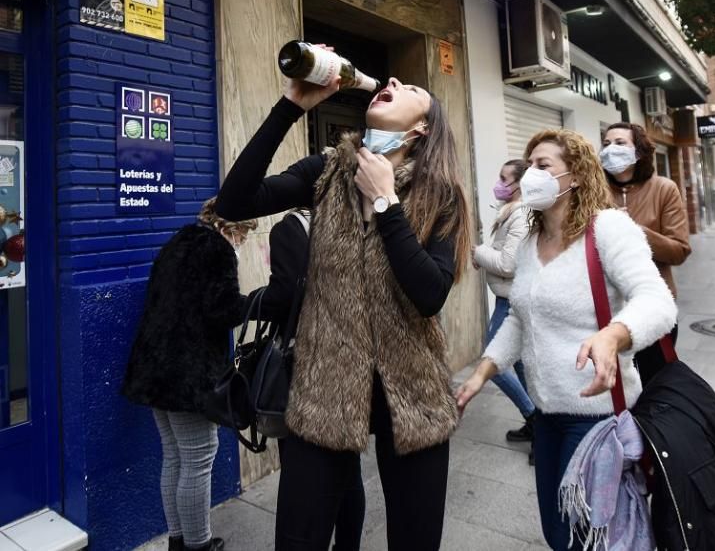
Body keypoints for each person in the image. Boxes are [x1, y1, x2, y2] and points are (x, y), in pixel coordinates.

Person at [214, 48, 471, 551]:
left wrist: (386, 202)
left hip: (413, 394)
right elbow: (233, 203)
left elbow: (430, 295)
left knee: (415, 541)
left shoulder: (440, 195)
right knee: (299, 537)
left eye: (413, 89)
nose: (394, 78)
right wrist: (291, 105)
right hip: (323, 387)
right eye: (395, 79)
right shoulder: (329, 171)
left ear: (421, 129)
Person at [456, 129, 677, 550]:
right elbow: (520, 320)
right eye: (530, 166)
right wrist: (481, 373)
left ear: (574, 175)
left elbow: (658, 301)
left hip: (594, 418)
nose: (530, 176)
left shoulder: (609, 228)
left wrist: (615, 334)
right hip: (546, 413)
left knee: (584, 537)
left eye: (544, 166)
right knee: (557, 532)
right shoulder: (530, 244)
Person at [121, 198, 257, 551]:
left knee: (175, 455)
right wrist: (259, 302)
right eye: (242, 232)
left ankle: (179, 541)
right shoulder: (217, 249)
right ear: (228, 227)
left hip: (154, 368)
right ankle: (199, 544)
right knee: (199, 456)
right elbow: (221, 309)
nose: (242, 240)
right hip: (187, 374)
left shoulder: (177, 242)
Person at [262, 209, 367, 550]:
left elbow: (283, 297)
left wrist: (248, 304)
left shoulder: (290, 228)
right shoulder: (354, 221)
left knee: (302, 474)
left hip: (307, 368)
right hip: (352, 364)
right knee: (349, 469)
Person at [600, 122, 690, 383]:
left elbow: (679, 251)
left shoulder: (664, 189)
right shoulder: (595, 193)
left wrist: (633, 230)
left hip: (651, 309)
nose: (610, 150)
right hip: (606, 312)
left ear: (638, 152)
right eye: (606, 144)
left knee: (653, 384)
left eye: (619, 143)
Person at [472, 160, 537, 456]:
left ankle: (536, 420)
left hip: (511, 300)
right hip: (507, 297)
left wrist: (478, 252)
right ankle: (536, 426)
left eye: (503, 178)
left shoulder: (521, 216)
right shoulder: (511, 212)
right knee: (522, 364)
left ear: (518, 184)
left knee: (493, 363)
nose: (498, 183)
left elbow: (508, 264)